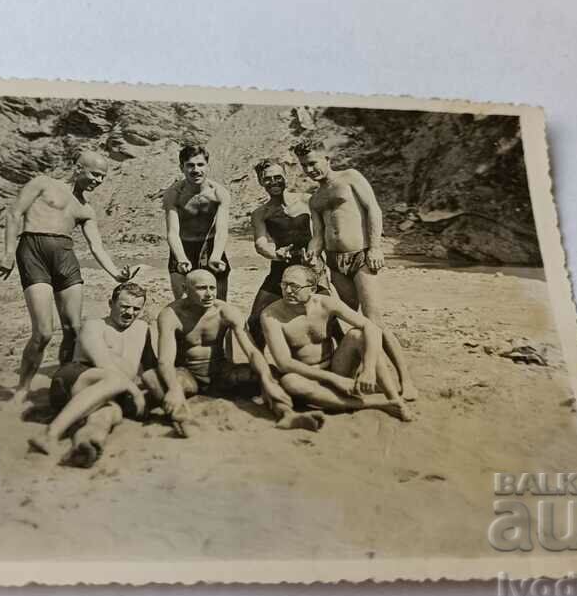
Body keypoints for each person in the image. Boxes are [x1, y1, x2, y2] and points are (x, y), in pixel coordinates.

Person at [0, 151, 136, 402]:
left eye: (103, 177)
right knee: (43, 332)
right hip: (33, 251)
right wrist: (8, 253)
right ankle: (23, 388)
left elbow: (97, 246)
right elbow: (14, 213)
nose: (98, 180)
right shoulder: (43, 183)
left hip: (65, 258)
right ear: (78, 168)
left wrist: (116, 273)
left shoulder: (86, 208)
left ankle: (60, 385)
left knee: (73, 330)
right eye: (95, 174)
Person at [293, 138, 415, 399]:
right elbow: (319, 233)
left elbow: (374, 210)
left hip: (360, 256)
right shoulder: (315, 199)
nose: (310, 169)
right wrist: (313, 249)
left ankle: (406, 381)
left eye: (313, 163)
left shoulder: (350, 177)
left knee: (374, 321)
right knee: (348, 320)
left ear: (327, 159)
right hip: (336, 263)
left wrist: (375, 247)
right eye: (304, 166)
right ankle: (359, 370)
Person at [145, 269, 324, 434]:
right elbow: (165, 360)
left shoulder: (225, 311)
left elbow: (252, 352)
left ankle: (286, 414)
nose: (209, 294)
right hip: (188, 376)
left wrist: (266, 380)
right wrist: (175, 388)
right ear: (185, 288)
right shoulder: (171, 314)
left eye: (212, 288)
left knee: (270, 374)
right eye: (201, 288)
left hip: (221, 373)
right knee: (153, 379)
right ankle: (182, 419)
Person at [261, 265, 413, 422]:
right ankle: (374, 403)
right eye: (284, 285)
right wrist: (334, 380)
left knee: (357, 335)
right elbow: (284, 363)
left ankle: (394, 399)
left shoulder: (326, 304)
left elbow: (372, 328)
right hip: (307, 376)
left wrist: (368, 370)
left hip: (337, 367)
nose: (288, 291)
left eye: (295, 286)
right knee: (290, 382)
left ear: (312, 289)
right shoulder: (271, 315)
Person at [28, 282, 155, 467]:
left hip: (110, 393)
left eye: (136, 309)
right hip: (76, 380)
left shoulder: (142, 328)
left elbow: (150, 367)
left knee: (109, 414)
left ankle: (86, 444)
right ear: (111, 303)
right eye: (124, 307)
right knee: (113, 380)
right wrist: (135, 392)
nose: (130, 313)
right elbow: (105, 366)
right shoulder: (94, 326)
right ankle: (49, 434)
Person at [246, 158, 325, 348]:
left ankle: (338, 363)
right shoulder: (260, 213)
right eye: (267, 179)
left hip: (311, 265)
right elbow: (260, 243)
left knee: (325, 315)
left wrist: (313, 254)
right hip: (281, 267)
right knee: (255, 320)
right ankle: (259, 370)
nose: (273, 182)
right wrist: (276, 254)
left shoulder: (307, 201)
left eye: (277, 177)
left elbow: (319, 233)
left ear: (285, 176)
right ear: (260, 181)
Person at [162, 144, 232, 301]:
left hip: (211, 246)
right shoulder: (173, 194)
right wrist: (180, 257)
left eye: (200, 164)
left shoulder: (219, 193)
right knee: (183, 303)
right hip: (183, 246)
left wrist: (216, 256)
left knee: (218, 302)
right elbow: (172, 232)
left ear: (207, 166)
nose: (196, 170)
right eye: (190, 165)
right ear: (182, 167)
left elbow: (221, 230)